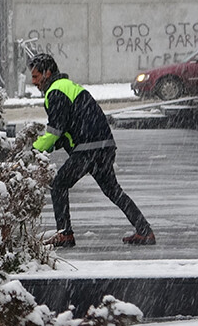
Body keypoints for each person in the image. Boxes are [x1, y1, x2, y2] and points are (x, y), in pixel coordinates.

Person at [29, 53, 155, 248]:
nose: (33, 81)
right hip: (103, 145)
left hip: (88, 149)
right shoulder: (68, 87)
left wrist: (32, 150)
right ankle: (144, 230)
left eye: (36, 76)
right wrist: (52, 144)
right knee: (113, 191)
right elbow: (67, 129)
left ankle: (65, 234)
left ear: (47, 73)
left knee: (58, 185)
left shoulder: (55, 91)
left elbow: (55, 131)